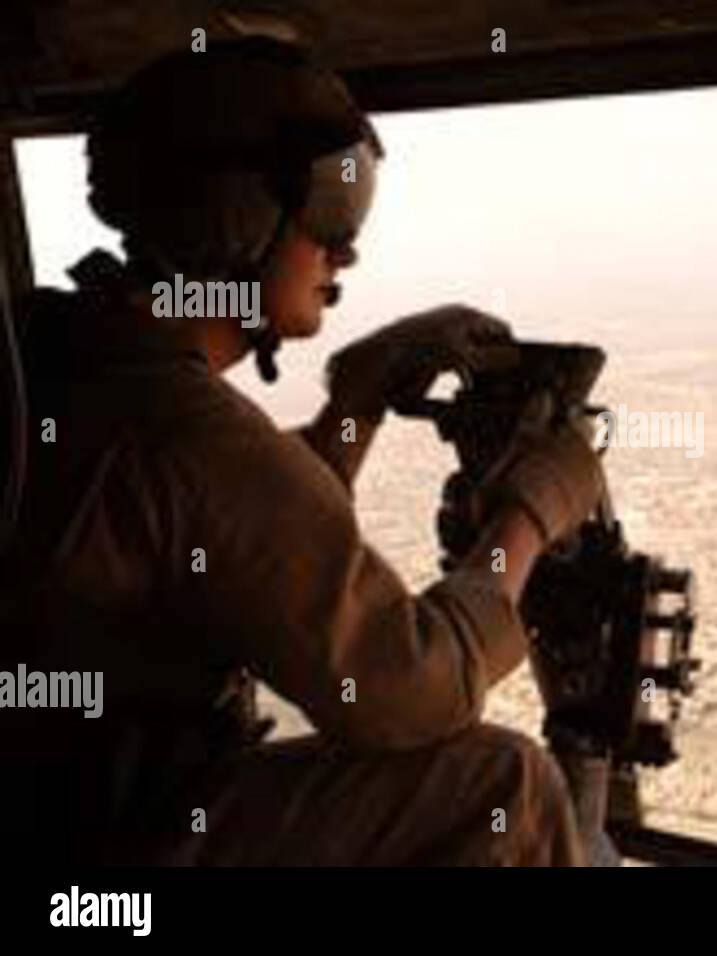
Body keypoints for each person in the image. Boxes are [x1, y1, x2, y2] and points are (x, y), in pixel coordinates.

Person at [0, 36, 606, 865]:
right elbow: (409, 688)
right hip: (112, 867)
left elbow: (238, 537)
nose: (347, 251)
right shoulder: (180, 427)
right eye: (331, 210)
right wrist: (530, 513)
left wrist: (357, 400)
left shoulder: (52, 351)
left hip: (60, 818)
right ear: (237, 218)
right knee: (505, 786)